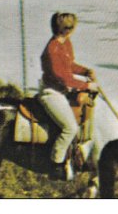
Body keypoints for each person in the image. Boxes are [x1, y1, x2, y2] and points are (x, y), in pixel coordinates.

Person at [38, 12, 97, 181]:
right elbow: (64, 77)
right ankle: (55, 165)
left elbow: (69, 65)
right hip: (51, 92)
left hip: (62, 89)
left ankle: (75, 155)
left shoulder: (65, 42)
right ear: (67, 30)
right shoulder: (52, 49)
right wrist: (87, 85)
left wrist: (86, 71)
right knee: (70, 127)